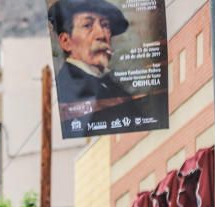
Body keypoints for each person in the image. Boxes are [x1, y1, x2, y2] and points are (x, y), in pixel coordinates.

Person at [46, 0, 149, 135]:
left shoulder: (112, 86)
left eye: (105, 25)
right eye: (87, 25)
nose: (101, 35)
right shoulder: (67, 90)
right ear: (66, 42)